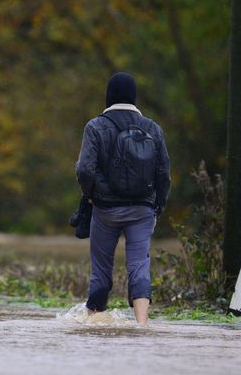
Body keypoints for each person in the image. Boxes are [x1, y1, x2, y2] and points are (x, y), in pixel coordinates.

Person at [75, 72, 170, 325]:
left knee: (101, 270)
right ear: (134, 97)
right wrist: (157, 207)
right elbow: (163, 173)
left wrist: (91, 195)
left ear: (109, 96)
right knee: (139, 266)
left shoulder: (95, 126)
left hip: (105, 210)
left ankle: (94, 321)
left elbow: (85, 169)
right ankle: (142, 324)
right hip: (142, 210)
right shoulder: (153, 128)